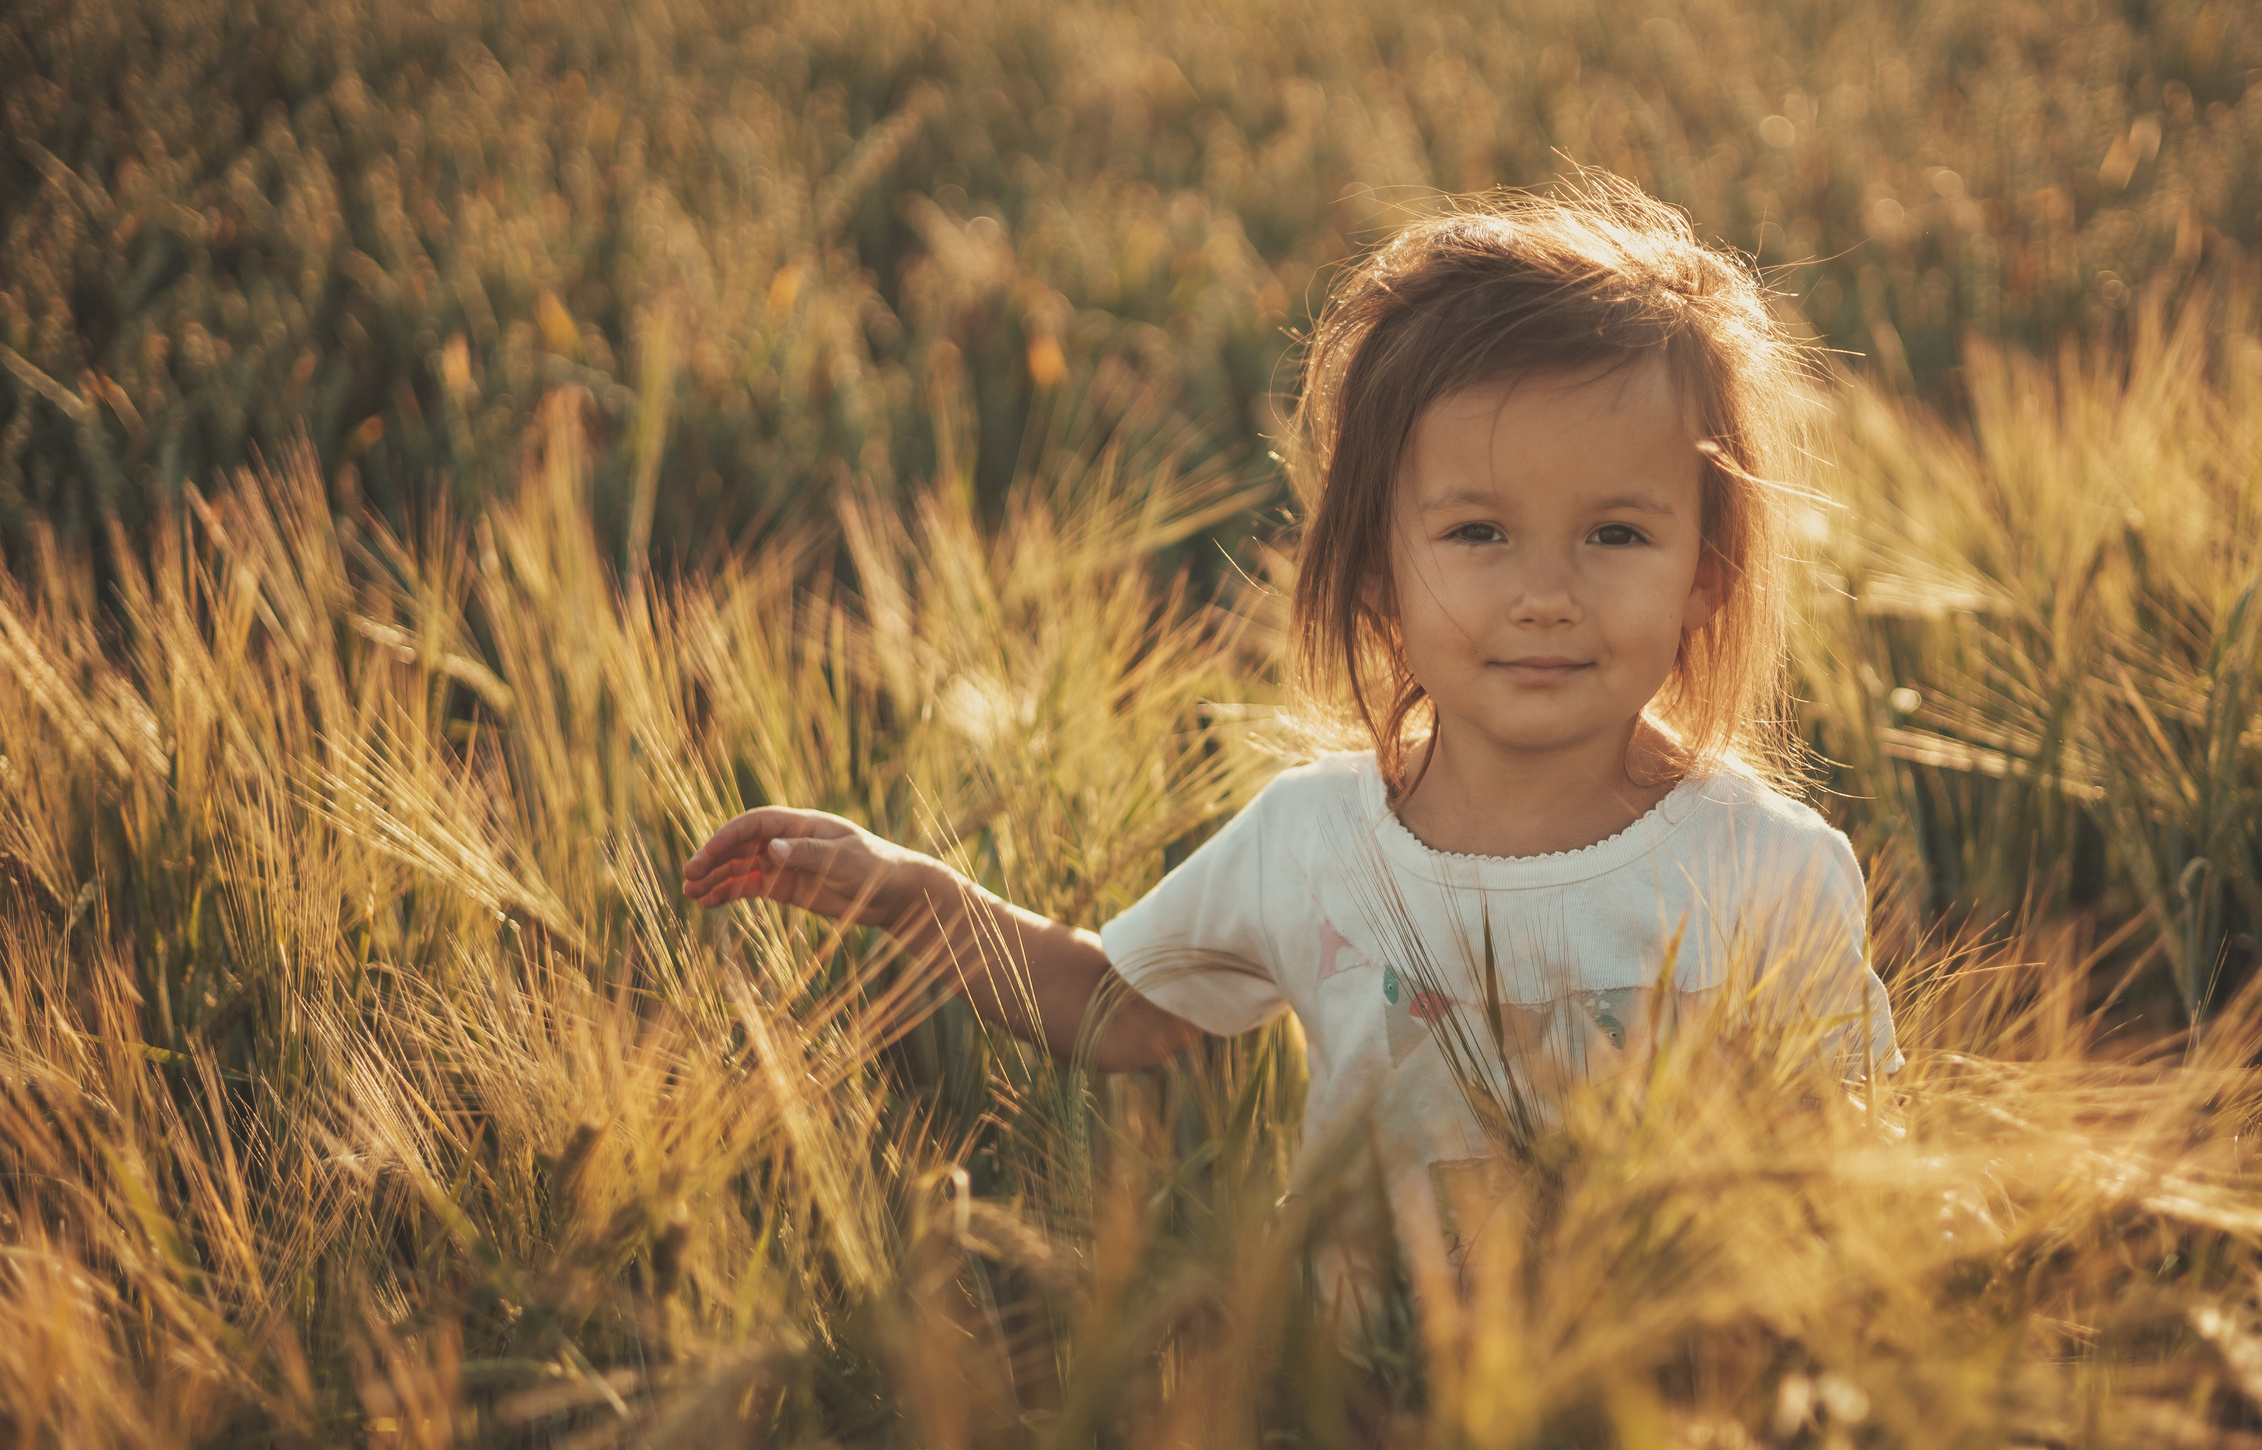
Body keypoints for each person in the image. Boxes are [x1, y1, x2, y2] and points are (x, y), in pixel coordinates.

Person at [681, 178, 1899, 1295]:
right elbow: (1122, 1009)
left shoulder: (1768, 868)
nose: (1546, 593)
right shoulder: (1315, 842)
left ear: (1708, 573)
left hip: (1654, 1448)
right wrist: (910, 898)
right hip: (1348, 1432)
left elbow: (1846, 1168)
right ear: (1375, 570)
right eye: (1478, 533)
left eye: (1616, 535)